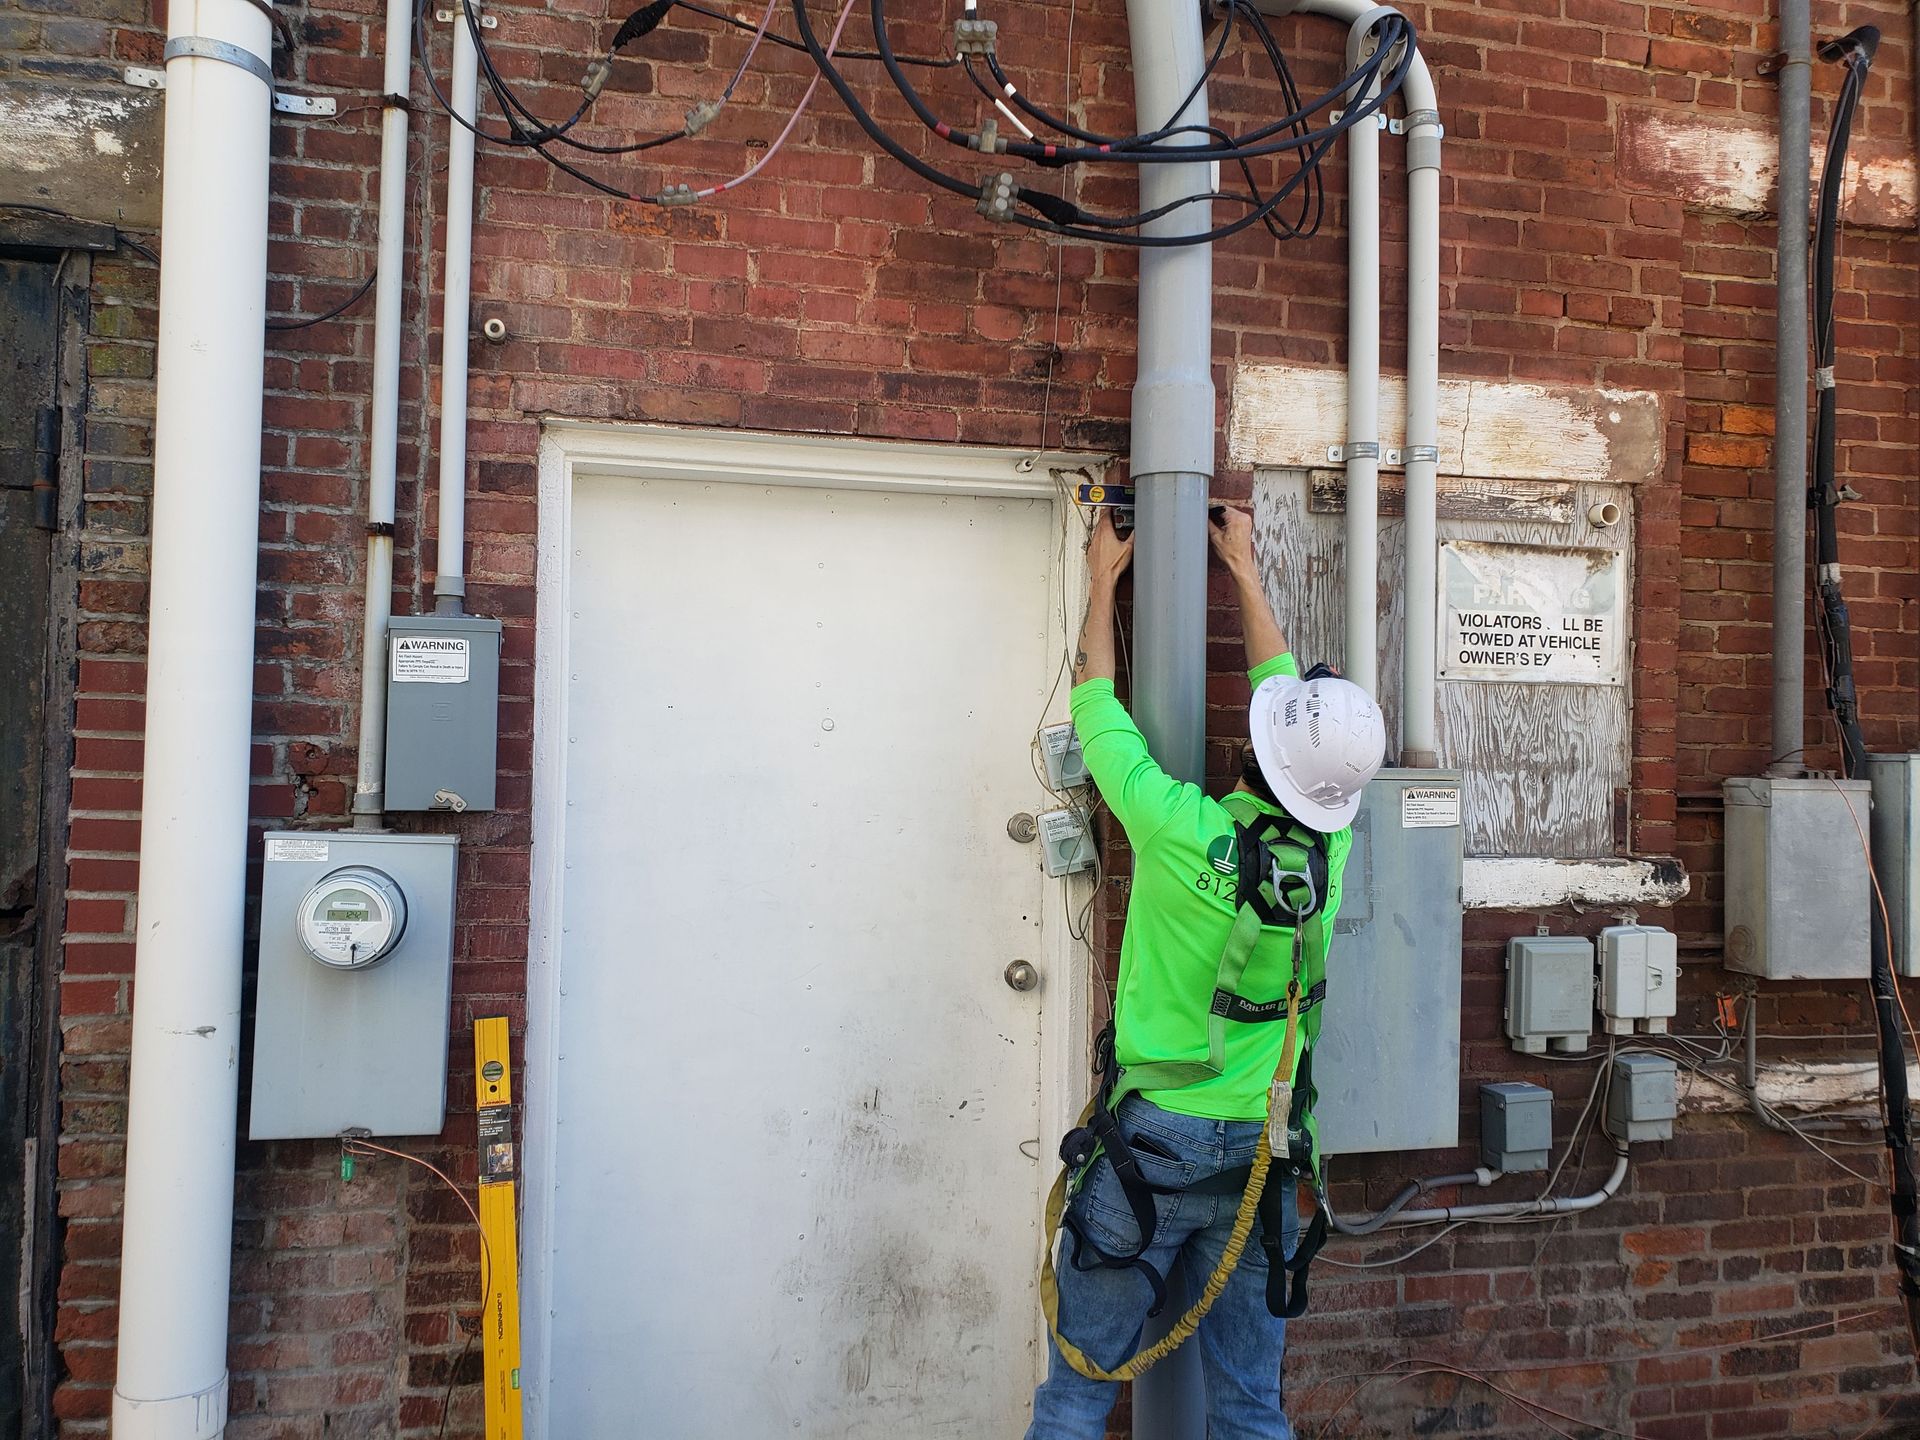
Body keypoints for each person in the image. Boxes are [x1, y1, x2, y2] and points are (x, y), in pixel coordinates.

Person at [1025, 506, 1387, 1440]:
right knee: (1250, 1408)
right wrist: (1246, 570)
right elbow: (1288, 711)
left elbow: (1097, 714)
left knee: (1075, 1397)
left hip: (1155, 1144)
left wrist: (1104, 579)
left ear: (1257, 754)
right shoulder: (1331, 860)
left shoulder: (1182, 831)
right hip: (1264, 1157)